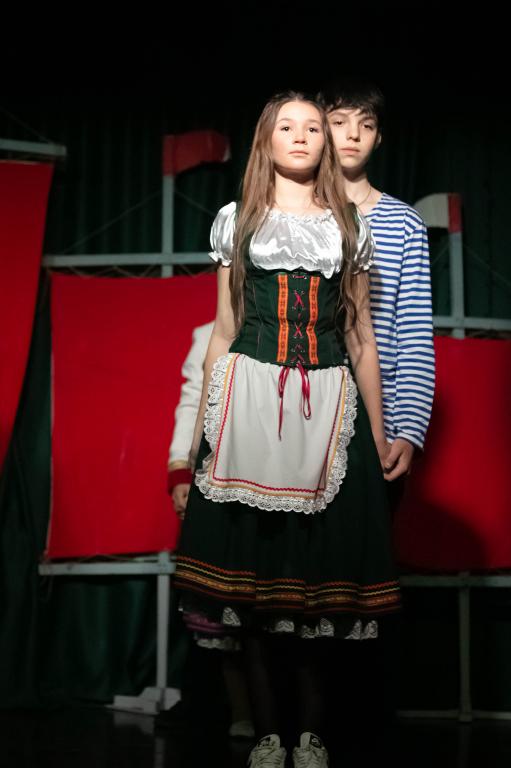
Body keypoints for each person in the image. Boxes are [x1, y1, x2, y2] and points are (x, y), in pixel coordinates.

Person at [173, 91, 402, 768]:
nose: (301, 136)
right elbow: (223, 333)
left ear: (324, 143)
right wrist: (202, 435)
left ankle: (312, 735)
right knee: (254, 583)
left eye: (311, 127)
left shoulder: (347, 227)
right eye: (286, 126)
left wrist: (378, 432)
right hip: (249, 408)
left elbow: (360, 339)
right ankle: (269, 734)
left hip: (327, 410)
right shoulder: (237, 220)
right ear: (265, 140)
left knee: (315, 584)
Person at [319, 79, 435, 501]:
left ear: (379, 137)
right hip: (304, 416)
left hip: (378, 422)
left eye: (365, 125)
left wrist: (408, 429)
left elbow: (414, 333)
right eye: (339, 122)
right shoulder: (296, 215)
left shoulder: (404, 223)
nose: (353, 134)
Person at [168, 319, 255, 739]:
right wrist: (179, 470)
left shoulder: (302, 333)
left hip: (281, 480)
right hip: (219, 480)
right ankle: (242, 713)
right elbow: (191, 402)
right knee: (223, 602)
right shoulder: (208, 334)